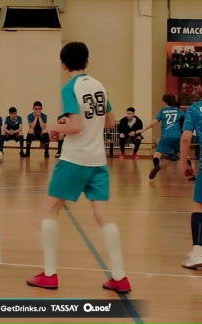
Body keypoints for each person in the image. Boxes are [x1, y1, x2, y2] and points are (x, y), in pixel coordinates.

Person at [26, 41, 131, 293]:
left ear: (63, 65)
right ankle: (119, 277)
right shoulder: (99, 86)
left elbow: (75, 126)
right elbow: (110, 123)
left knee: (50, 210)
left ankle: (49, 274)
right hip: (98, 161)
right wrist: (67, 125)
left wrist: (54, 127)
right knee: (103, 216)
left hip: (74, 159)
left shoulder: (69, 88)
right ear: (87, 62)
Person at [136, 94, 185, 179]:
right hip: (177, 136)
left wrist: (142, 130)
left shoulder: (163, 111)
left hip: (165, 136)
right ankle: (191, 173)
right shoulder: (178, 111)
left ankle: (156, 166)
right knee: (184, 154)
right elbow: (187, 119)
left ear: (165, 102)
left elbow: (153, 123)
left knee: (157, 155)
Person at [179, 98, 202, 269]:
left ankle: (198, 254)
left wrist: (184, 164)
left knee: (199, 206)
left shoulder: (194, 109)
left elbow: (186, 138)